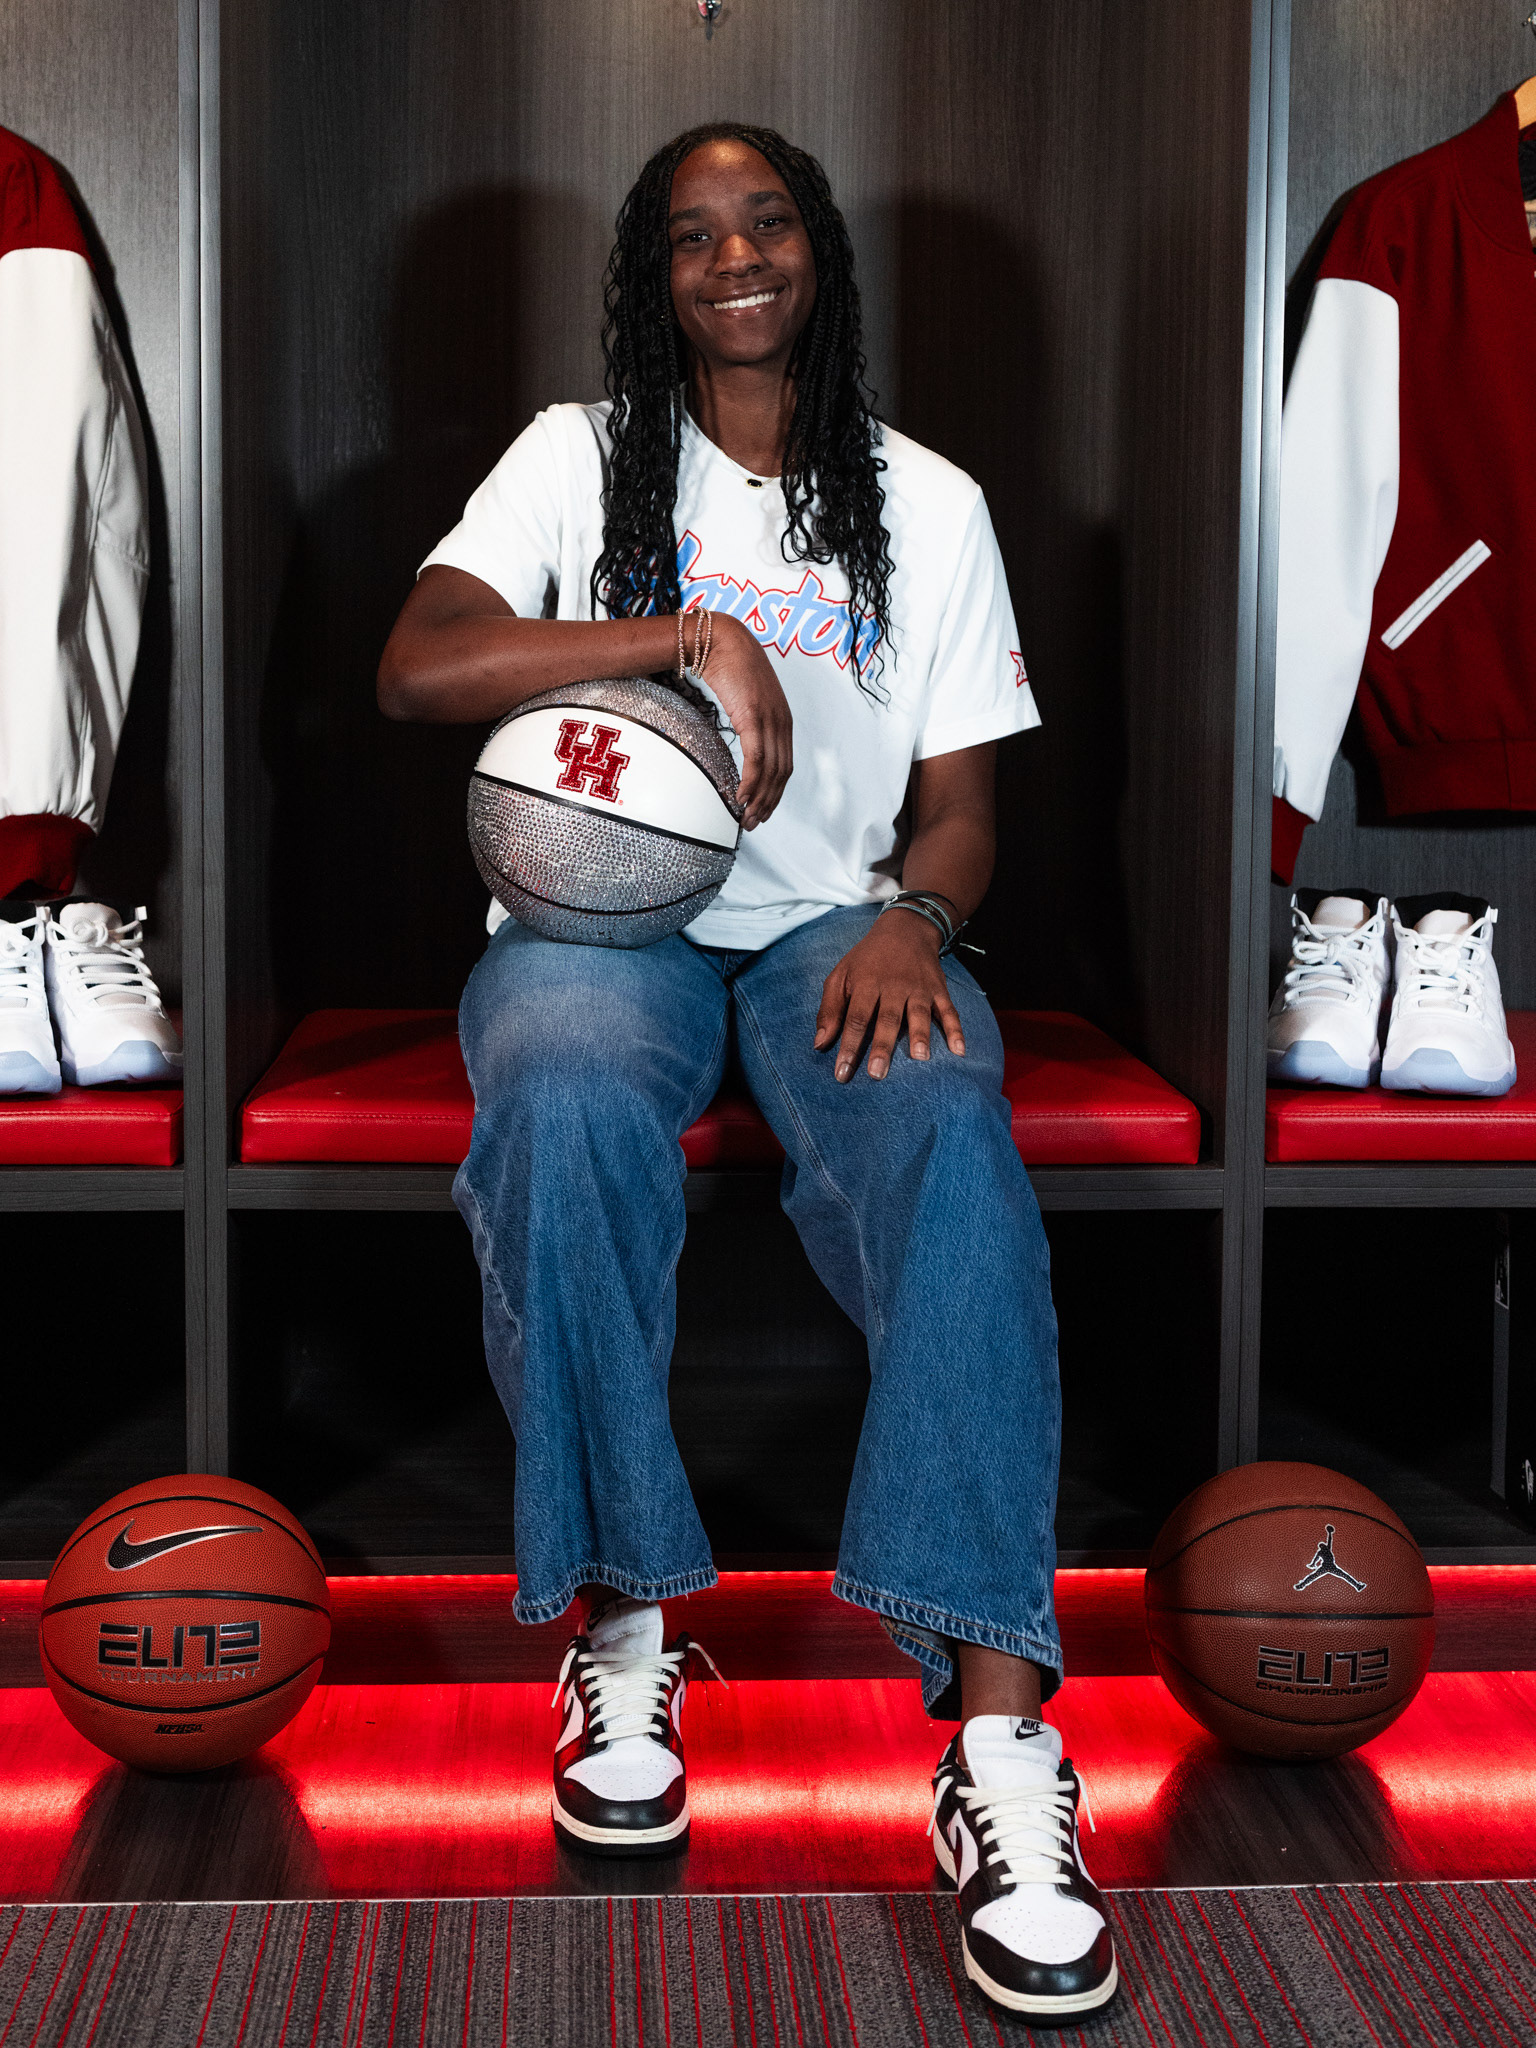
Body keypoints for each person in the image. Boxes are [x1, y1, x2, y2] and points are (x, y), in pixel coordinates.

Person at [378, 122, 1116, 2021]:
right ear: (656, 274)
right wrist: (685, 634)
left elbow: (962, 809)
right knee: (556, 1089)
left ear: (818, 251)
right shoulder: (579, 456)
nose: (735, 259)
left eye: (766, 222)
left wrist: (920, 921)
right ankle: (626, 1630)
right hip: (601, 915)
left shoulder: (928, 503)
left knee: (948, 1129)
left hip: (835, 933)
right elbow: (419, 664)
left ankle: (999, 1740)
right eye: (694, 235)